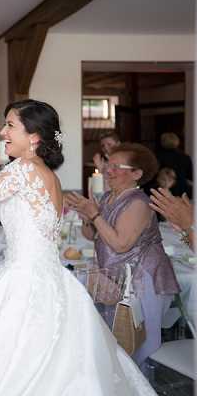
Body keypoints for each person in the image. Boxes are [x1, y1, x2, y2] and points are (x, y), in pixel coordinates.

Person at [0, 100, 156, 395]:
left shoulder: (24, 169)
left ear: (34, 137)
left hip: (24, 285)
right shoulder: (48, 175)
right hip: (53, 281)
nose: (3, 132)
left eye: (10, 125)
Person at [66, 143, 180, 371]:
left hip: (143, 282)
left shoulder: (139, 202)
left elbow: (120, 244)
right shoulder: (108, 196)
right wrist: (86, 216)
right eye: (109, 164)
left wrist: (94, 214)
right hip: (117, 279)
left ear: (136, 174)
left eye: (117, 166)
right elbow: (92, 235)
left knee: (134, 344)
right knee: (115, 343)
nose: (109, 170)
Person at [156, 132, 193, 198]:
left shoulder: (158, 156)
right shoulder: (185, 156)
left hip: (165, 189)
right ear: (177, 142)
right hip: (183, 189)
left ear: (162, 142)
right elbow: (190, 175)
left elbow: (155, 175)